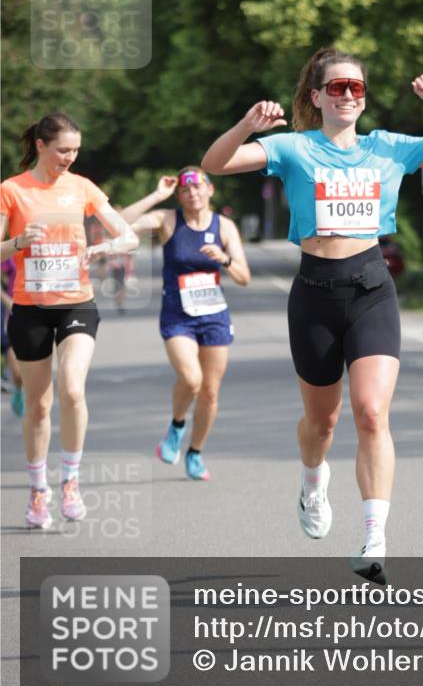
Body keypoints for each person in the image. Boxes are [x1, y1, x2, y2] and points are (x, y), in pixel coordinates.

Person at [202, 47, 423, 582]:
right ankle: (312, 482)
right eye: (337, 87)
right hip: (314, 294)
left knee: (372, 412)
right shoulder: (294, 147)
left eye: (356, 87)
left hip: (372, 288)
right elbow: (215, 164)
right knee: (322, 421)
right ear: (316, 96)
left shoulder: (388, 148)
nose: (348, 95)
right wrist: (246, 125)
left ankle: (375, 535)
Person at [0, 112, 139, 529]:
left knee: (73, 390)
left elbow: (128, 235)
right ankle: (38, 489)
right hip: (30, 308)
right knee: (39, 406)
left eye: (75, 150)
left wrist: (105, 247)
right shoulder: (12, 191)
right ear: (41, 146)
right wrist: (18, 242)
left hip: (77, 303)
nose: (69, 158)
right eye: (63, 150)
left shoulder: (82, 187)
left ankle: (71, 481)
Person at [120, 167, 251, 481]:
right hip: (178, 315)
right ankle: (177, 427)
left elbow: (244, 278)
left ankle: (195, 452)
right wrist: (156, 195)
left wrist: (224, 258)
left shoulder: (225, 227)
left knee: (210, 392)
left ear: (210, 190)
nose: (192, 194)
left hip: (214, 316)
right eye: (185, 190)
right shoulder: (167, 221)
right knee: (192, 380)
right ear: (179, 195)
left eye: (198, 188)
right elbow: (118, 222)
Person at [1, 257, 24, 416]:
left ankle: (19, 391)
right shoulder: (7, 252)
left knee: (18, 372)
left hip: (23, 313)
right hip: (7, 311)